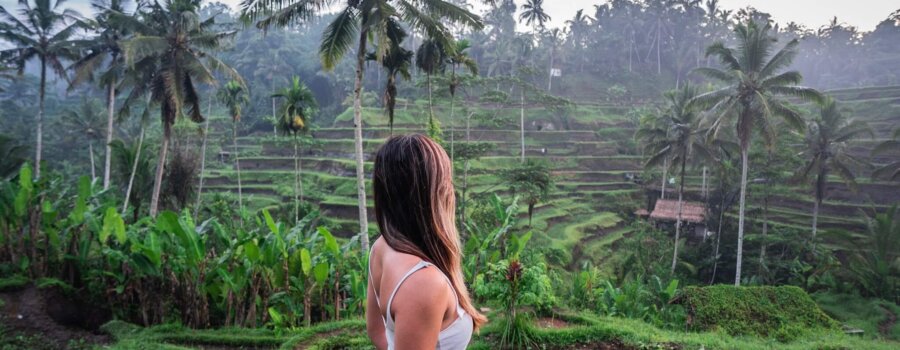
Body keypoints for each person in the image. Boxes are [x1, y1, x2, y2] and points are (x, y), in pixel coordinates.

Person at [366, 134, 487, 350]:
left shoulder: (381, 247)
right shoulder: (424, 283)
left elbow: (376, 331)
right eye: (445, 180)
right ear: (429, 194)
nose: (451, 189)